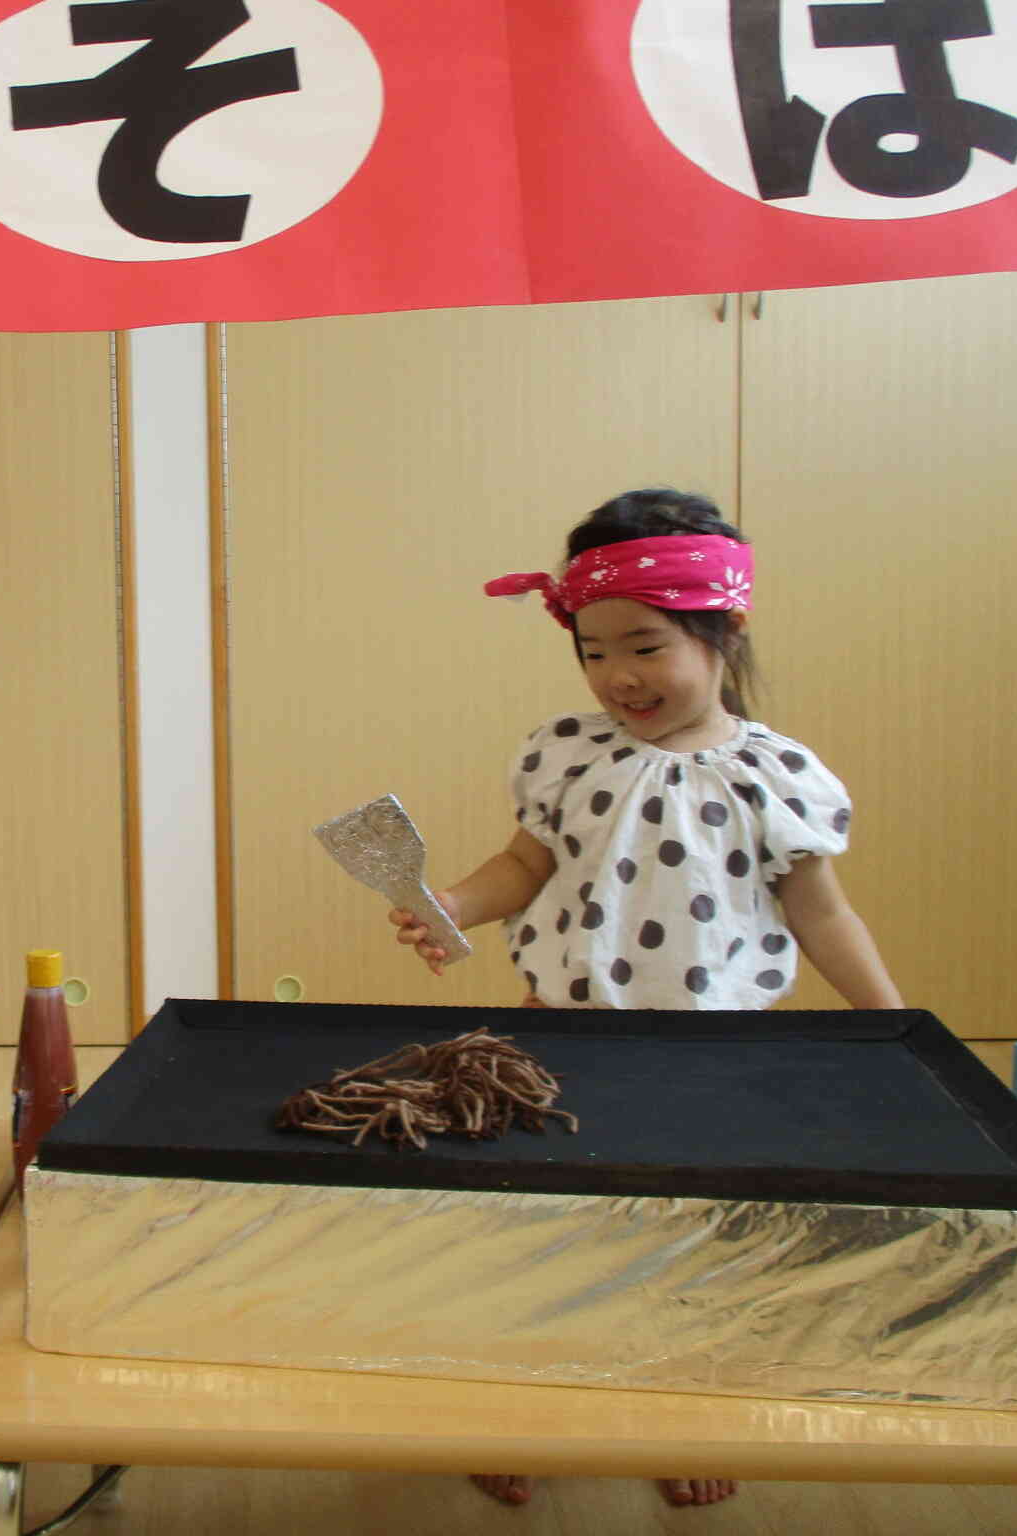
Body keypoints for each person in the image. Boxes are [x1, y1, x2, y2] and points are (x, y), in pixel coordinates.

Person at [388, 488, 903, 1512]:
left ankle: (682, 1407)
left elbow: (821, 913)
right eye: (591, 651)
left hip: (705, 1053)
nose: (617, 676)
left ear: (723, 629)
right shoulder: (564, 754)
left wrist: (893, 1023)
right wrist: (453, 904)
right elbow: (522, 865)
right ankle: (521, 1408)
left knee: (691, 1230)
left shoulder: (775, 776)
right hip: (557, 1029)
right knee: (540, 1224)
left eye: (645, 646)